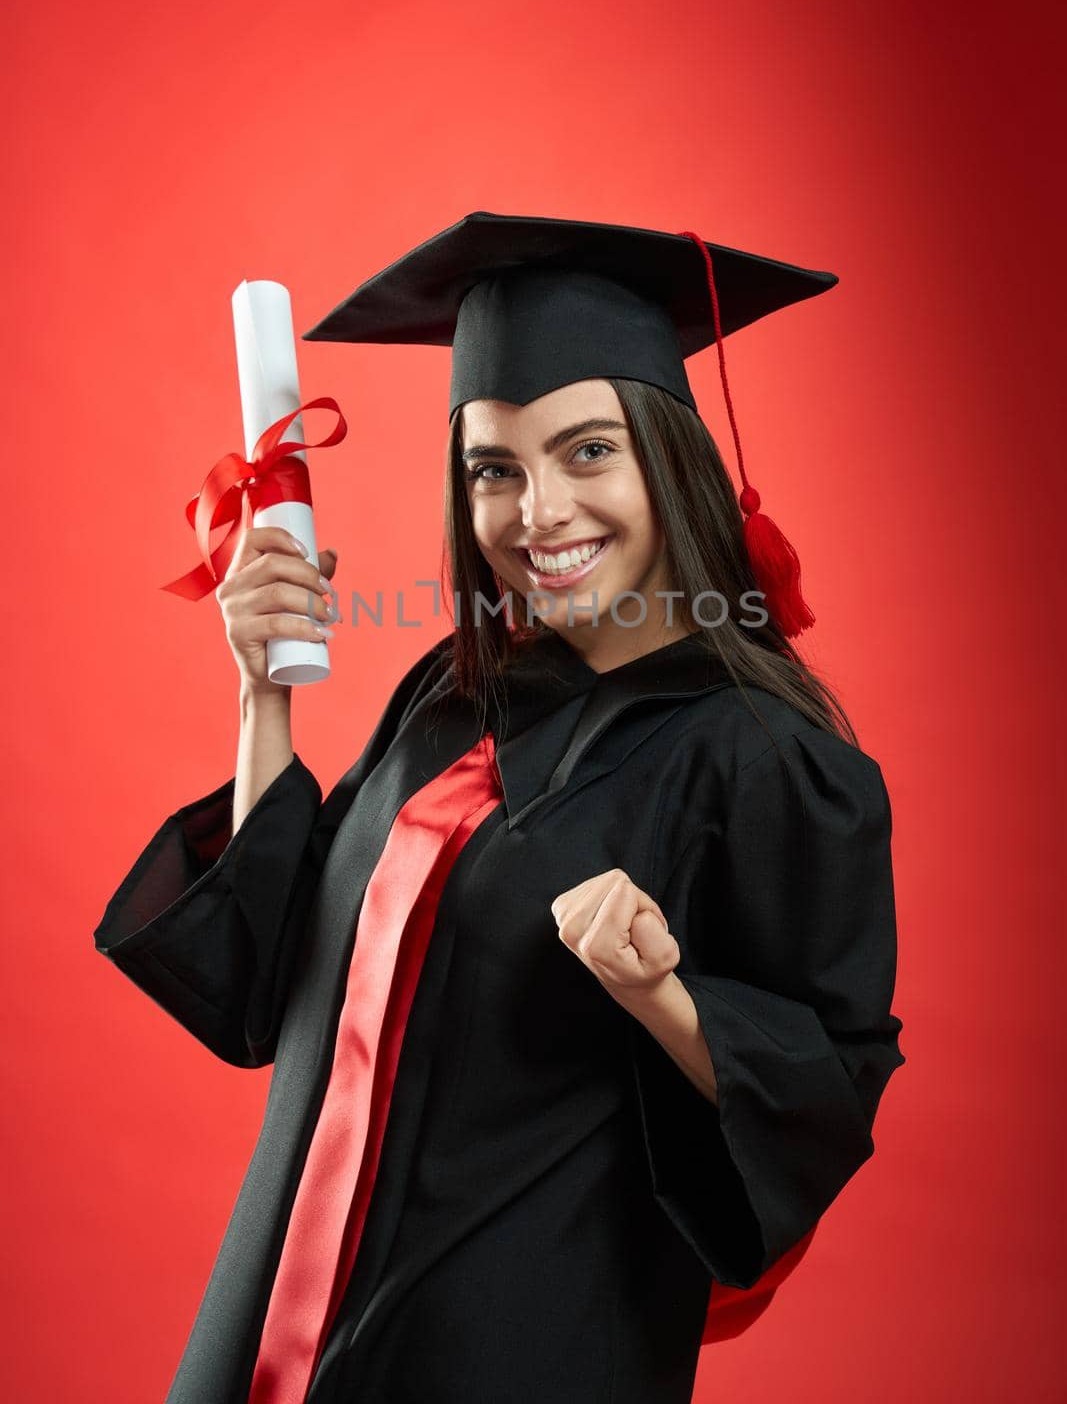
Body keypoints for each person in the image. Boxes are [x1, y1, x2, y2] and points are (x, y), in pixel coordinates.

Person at [93, 212, 906, 1404]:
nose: (536, 512)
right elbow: (268, 993)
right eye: (495, 468)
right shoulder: (451, 695)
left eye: (587, 453)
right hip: (270, 1327)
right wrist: (262, 698)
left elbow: (824, 1092)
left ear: (667, 462)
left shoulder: (761, 758)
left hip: (515, 1346)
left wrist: (663, 996)